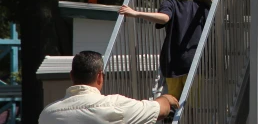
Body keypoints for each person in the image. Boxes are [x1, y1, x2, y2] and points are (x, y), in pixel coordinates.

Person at [119, 0, 209, 101]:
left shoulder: (170, 3)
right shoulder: (200, 6)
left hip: (173, 61)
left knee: (173, 100)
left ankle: (172, 117)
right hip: (195, 61)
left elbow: (165, 17)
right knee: (193, 104)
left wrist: (137, 13)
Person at [38, 51, 177, 123]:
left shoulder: (47, 114)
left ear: (71, 76)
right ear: (100, 76)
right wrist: (166, 98)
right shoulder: (115, 105)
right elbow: (160, 110)